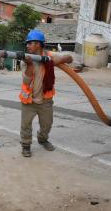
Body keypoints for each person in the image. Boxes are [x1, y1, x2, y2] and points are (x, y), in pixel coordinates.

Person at [19, 29, 73, 157]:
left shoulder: (49, 56)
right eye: (27, 43)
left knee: (47, 124)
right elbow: (26, 80)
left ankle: (42, 139)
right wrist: (30, 64)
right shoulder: (25, 60)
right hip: (29, 101)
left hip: (45, 101)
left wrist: (55, 60)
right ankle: (26, 145)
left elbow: (69, 58)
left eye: (30, 43)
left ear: (38, 44)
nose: (27, 45)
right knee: (25, 125)